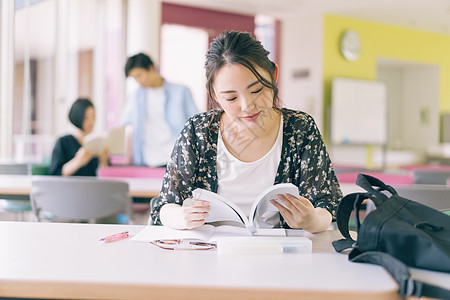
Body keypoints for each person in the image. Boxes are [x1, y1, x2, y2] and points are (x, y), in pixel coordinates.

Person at [149, 31, 342, 233]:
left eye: (257, 90)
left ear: (274, 75)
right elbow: (165, 205)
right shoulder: (198, 132)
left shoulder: (300, 129)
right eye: (231, 98)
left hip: (279, 255)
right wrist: (181, 217)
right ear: (215, 94)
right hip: (210, 255)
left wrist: (311, 221)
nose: (247, 106)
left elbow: (327, 204)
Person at [122, 53, 198, 167]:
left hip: (177, 158)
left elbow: (196, 126)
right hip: (147, 161)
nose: (138, 81)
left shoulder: (181, 92)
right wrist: (129, 159)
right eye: (134, 78)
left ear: (151, 69)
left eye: (139, 75)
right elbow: (129, 129)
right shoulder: (135, 97)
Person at [49, 98, 109, 176]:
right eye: (86, 117)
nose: (91, 122)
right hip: (69, 187)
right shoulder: (63, 142)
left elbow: (101, 175)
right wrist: (78, 161)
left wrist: (103, 160)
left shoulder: (96, 143)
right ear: (78, 117)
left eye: (93, 117)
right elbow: (55, 174)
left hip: (92, 187)